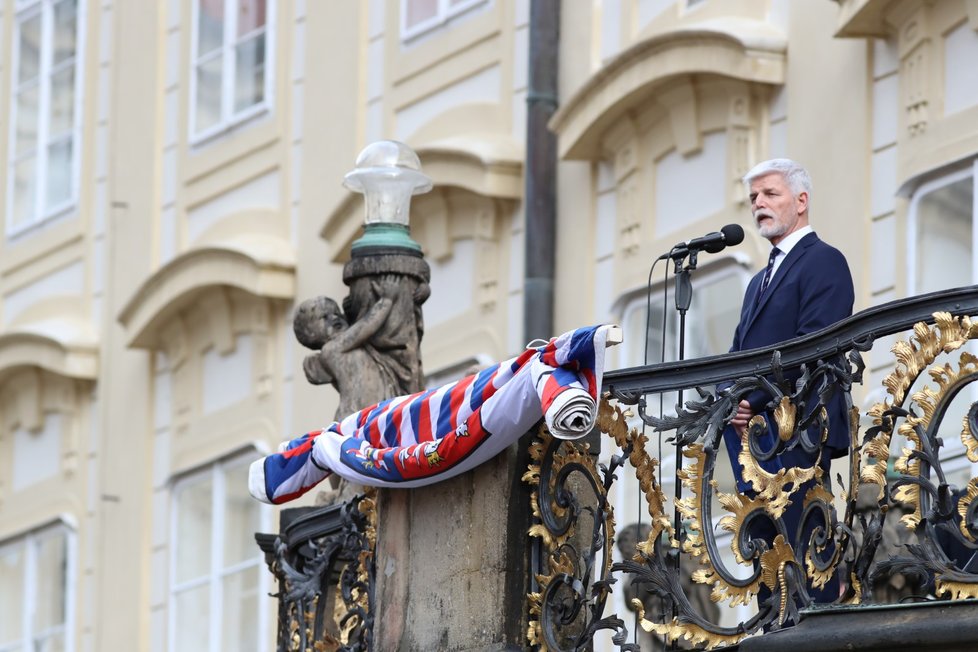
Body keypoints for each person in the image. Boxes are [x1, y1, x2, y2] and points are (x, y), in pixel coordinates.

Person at [721, 158, 855, 603]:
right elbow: (739, 352)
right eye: (753, 198)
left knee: (805, 560)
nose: (759, 203)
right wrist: (728, 398)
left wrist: (751, 399)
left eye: (770, 194)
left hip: (798, 434)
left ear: (801, 201)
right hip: (752, 441)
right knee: (769, 565)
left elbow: (812, 344)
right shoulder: (758, 280)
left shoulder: (824, 261)